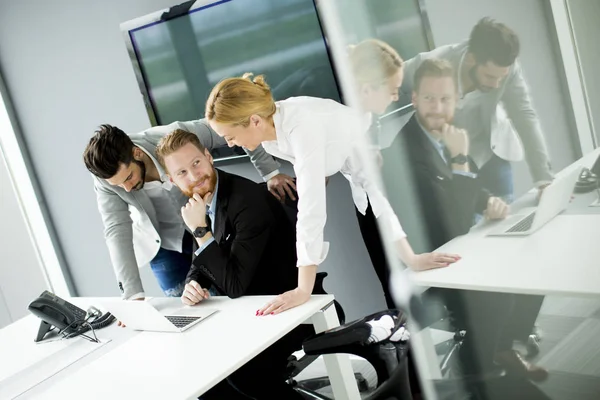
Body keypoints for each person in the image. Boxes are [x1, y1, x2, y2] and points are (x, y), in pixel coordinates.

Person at [204, 72, 460, 316]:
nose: (229, 143)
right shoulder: (269, 128)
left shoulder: (300, 126)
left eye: (231, 136)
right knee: (390, 278)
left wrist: (303, 288)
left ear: (254, 121)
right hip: (363, 182)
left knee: (411, 284)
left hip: (386, 173)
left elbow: (312, 210)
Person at [394, 58, 546, 381]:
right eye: (430, 98)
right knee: (500, 290)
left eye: (446, 99)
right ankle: (482, 373)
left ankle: (503, 348)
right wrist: (461, 158)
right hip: (434, 261)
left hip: (461, 244)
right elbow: (451, 222)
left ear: (456, 100)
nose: (438, 107)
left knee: (536, 264)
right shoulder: (407, 152)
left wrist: (488, 199)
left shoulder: (443, 134)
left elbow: (468, 187)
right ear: (414, 100)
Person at [155, 128, 310, 400]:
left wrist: (201, 231)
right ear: (171, 179)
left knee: (240, 373)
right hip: (245, 314)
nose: (194, 176)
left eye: (196, 164)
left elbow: (235, 285)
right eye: (182, 173)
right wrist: (194, 283)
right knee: (195, 373)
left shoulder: (246, 201)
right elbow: (199, 264)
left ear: (208, 157)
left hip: (284, 311)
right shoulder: (199, 204)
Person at [82, 120, 295, 300]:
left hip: (204, 225)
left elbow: (238, 124)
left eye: (129, 177)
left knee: (225, 295)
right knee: (188, 307)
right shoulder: (106, 178)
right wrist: (132, 295)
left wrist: (270, 172)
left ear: (136, 153)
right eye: (118, 185)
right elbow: (116, 229)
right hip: (163, 243)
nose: (126, 189)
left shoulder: (179, 138)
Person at [401, 17, 554, 203]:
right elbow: (391, 76)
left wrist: (544, 179)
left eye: (501, 78)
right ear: (472, 59)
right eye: (489, 76)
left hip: (491, 156)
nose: (497, 84)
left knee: (506, 220)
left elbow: (525, 116)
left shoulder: (508, 68)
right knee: (470, 225)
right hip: (453, 163)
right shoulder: (433, 63)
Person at [346, 38, 409, 308]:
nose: (396, 97)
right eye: (393, 90)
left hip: (372, 199)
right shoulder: (338, 116)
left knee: (398, 277)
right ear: (368, 88)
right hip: (368, 204)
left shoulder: (367, 115)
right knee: (391, 278)